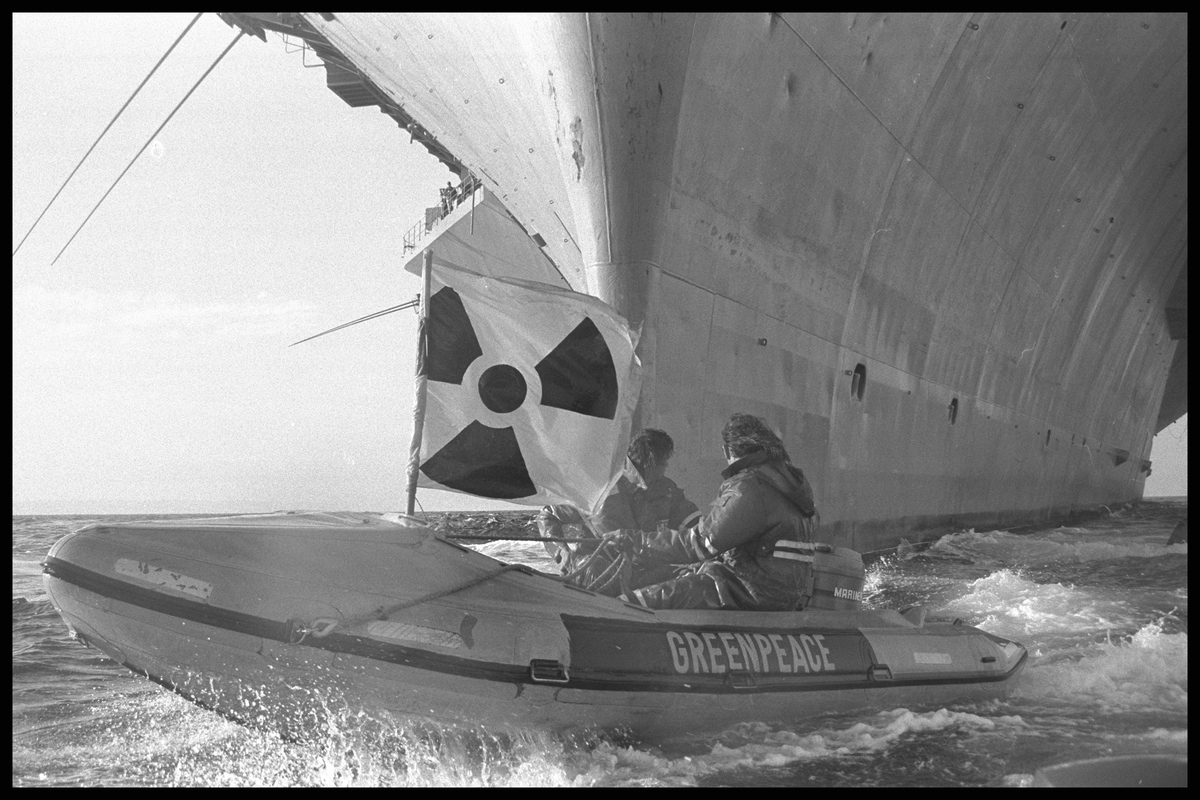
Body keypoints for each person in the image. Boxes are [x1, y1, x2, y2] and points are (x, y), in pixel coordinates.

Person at [622, 413, 818, 611]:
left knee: (645, 600)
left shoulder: (750, 487)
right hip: (780, 595)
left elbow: (701, 543)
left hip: (747, 591)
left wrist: (632, 543)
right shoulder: (787, 481)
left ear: (726, 450)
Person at [538, 428, 698, 578]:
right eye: (663, 463)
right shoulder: (598, 488)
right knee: (595, 569)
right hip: (599, 573)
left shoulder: (667, 490)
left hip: (645, 576)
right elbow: (548, 514)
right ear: (650, 462)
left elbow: (695, 526)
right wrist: (561, 550)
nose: (666, 467)